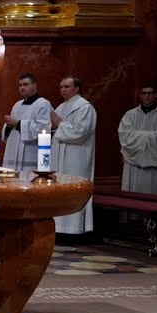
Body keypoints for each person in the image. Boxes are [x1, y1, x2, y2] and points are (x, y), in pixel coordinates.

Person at [51, 76, 97, 234]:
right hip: (59, 155)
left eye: (67, 87)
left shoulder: (85, 108)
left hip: (76, 157)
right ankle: (59, 227)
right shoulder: (60, 107)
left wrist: (59, 124)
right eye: (61, 87)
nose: (63, 90)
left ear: (77, 89)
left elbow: (80, 132)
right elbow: (53, 129)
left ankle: (74, 229)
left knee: (73, 188)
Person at [118, 85, 157, 194]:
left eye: (150, 93)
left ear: (155, 95)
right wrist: (149, 136)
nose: (147, 96)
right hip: (134, 165)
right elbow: (125, 135)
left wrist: (137, 136)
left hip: (155, 164)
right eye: (144, 93)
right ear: (140, 96)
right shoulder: (130, 115)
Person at [1, 73, 53, 172]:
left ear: (34, 85)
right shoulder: (17, 104)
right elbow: (11, 128)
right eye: (20, 85)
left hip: (30, 152)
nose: (22, 88)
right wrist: (8, 126)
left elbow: (43, 128)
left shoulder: (43, 104)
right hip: (13, 149)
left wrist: (18, 124)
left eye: (25, 84)